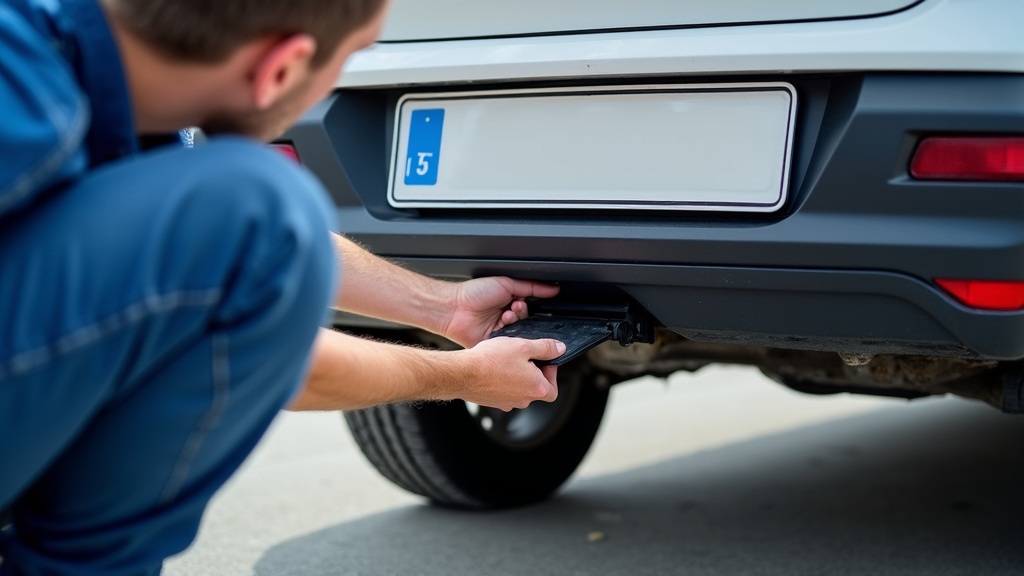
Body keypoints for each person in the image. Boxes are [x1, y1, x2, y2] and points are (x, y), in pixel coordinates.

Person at [0, 0, 566, 573]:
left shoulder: (83, 71)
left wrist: (443, 307)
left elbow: (225, 251)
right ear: (282, 69)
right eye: (350, 56)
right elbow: (287, 348)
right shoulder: (21, 106)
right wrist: (463, 376)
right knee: (261, 199)